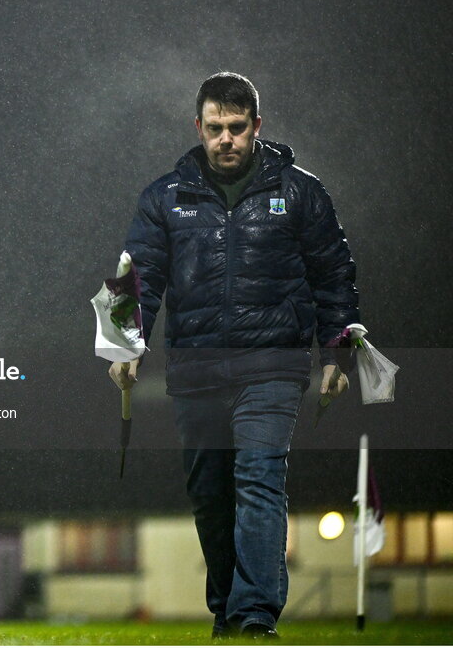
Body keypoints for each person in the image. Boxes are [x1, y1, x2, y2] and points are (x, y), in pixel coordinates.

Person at [108, 72, 358, 639]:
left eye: (237, 128)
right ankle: (226, 610)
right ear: (198, 127)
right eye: (215, 128)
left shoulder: (300, 192)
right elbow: (138, 277)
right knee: (209, 494)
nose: (226, 139)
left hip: (272, 365)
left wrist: (336, 354)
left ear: (257, 127)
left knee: (259, 479)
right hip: (195, 369)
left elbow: (334, 276)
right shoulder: (164, 197)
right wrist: (124, 345)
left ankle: (253, 616)